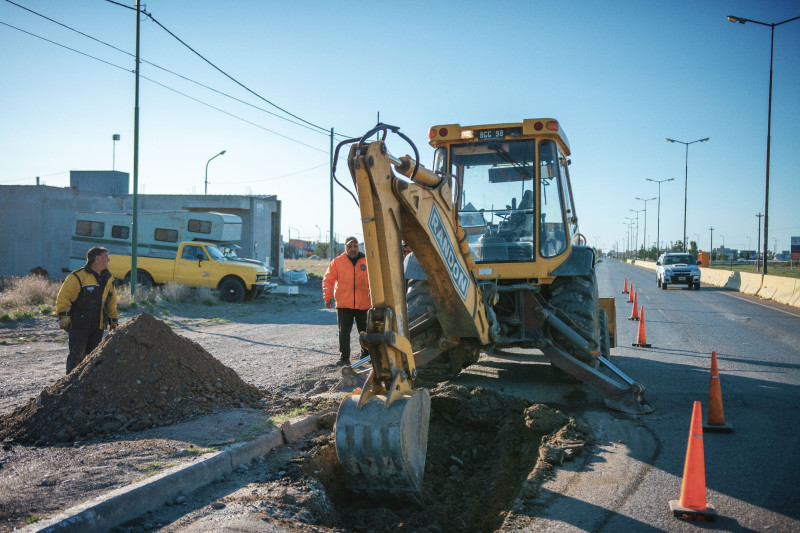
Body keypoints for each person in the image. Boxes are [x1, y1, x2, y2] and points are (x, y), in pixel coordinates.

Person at [56, 246, 119, 374]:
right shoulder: (77, 277)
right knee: (77, 355)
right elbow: (64, 297)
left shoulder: (109, 279)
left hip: (98, 325)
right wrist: (63, 315)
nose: (109, 260)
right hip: (79, 325)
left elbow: (111, 302)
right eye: (106, 257)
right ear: (97, 259)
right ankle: (70, 384)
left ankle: (87, 387)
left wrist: (114, 320)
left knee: (93, 357)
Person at [322, 236, 371, 365]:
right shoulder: (337, 262)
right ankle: (344, 358)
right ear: (345, 247)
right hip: (344, 304)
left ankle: (366, 355)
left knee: (365, 332)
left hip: (364, 303)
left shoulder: (367, 261)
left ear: (358, 247)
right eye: (350, 246)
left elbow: (375, 280)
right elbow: (328, 280)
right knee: (344, 332)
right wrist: (327, 297)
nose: (353, 249)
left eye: (355, 246)